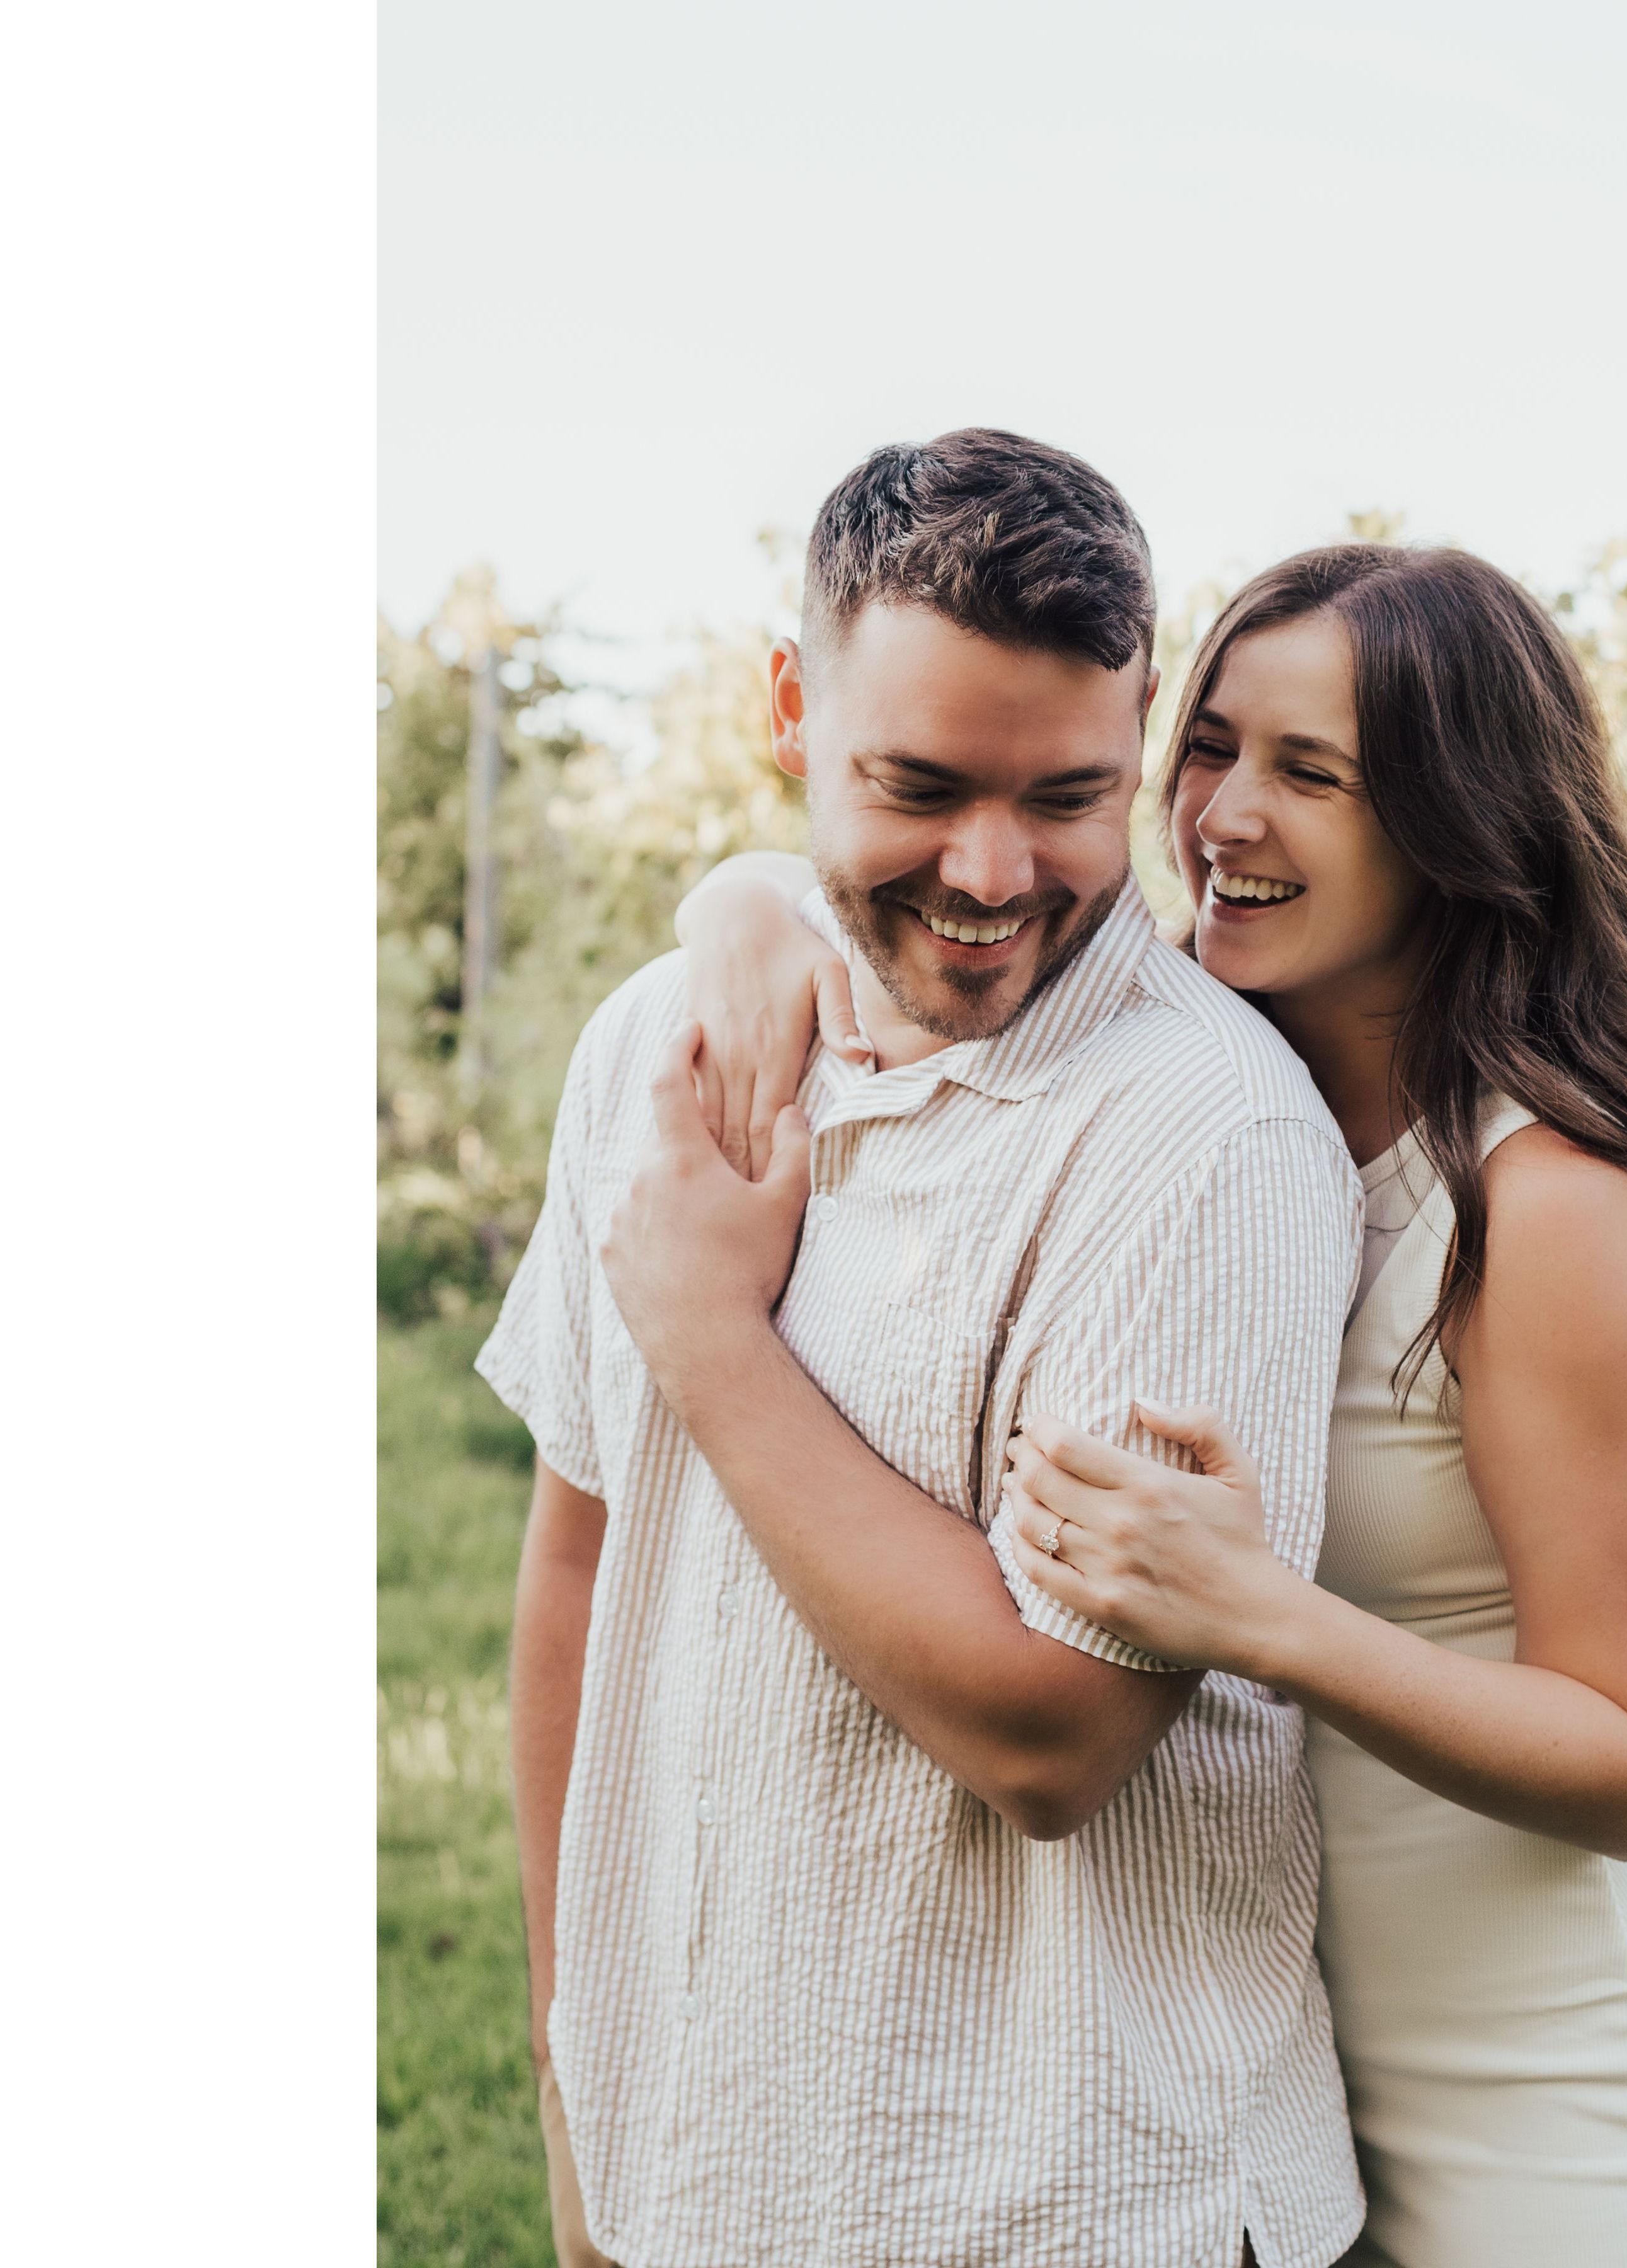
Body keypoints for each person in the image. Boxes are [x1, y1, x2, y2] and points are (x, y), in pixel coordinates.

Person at [679, 544, 1627, 2266]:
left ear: (1453, 821)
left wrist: (1262, 1617)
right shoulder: (1226, 1088)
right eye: (1208, 747)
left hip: (1572, 2102)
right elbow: (898, 884)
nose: (1221, 815)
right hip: (1316, 2066)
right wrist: (746, 902)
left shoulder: (1547, 1203)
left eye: (1313, 773)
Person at [482, 432, 1369, 2268]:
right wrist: (581, 2073)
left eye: (1070, 795)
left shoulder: (1206, 1139)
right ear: (791, 709)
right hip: (704, 2179)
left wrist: (711, 1337)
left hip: (1074, 2204)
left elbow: (1053, 1734)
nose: (992, 870)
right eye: (923, 785)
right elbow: (581, 1571)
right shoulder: (657, 1044)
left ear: (1141, 734)